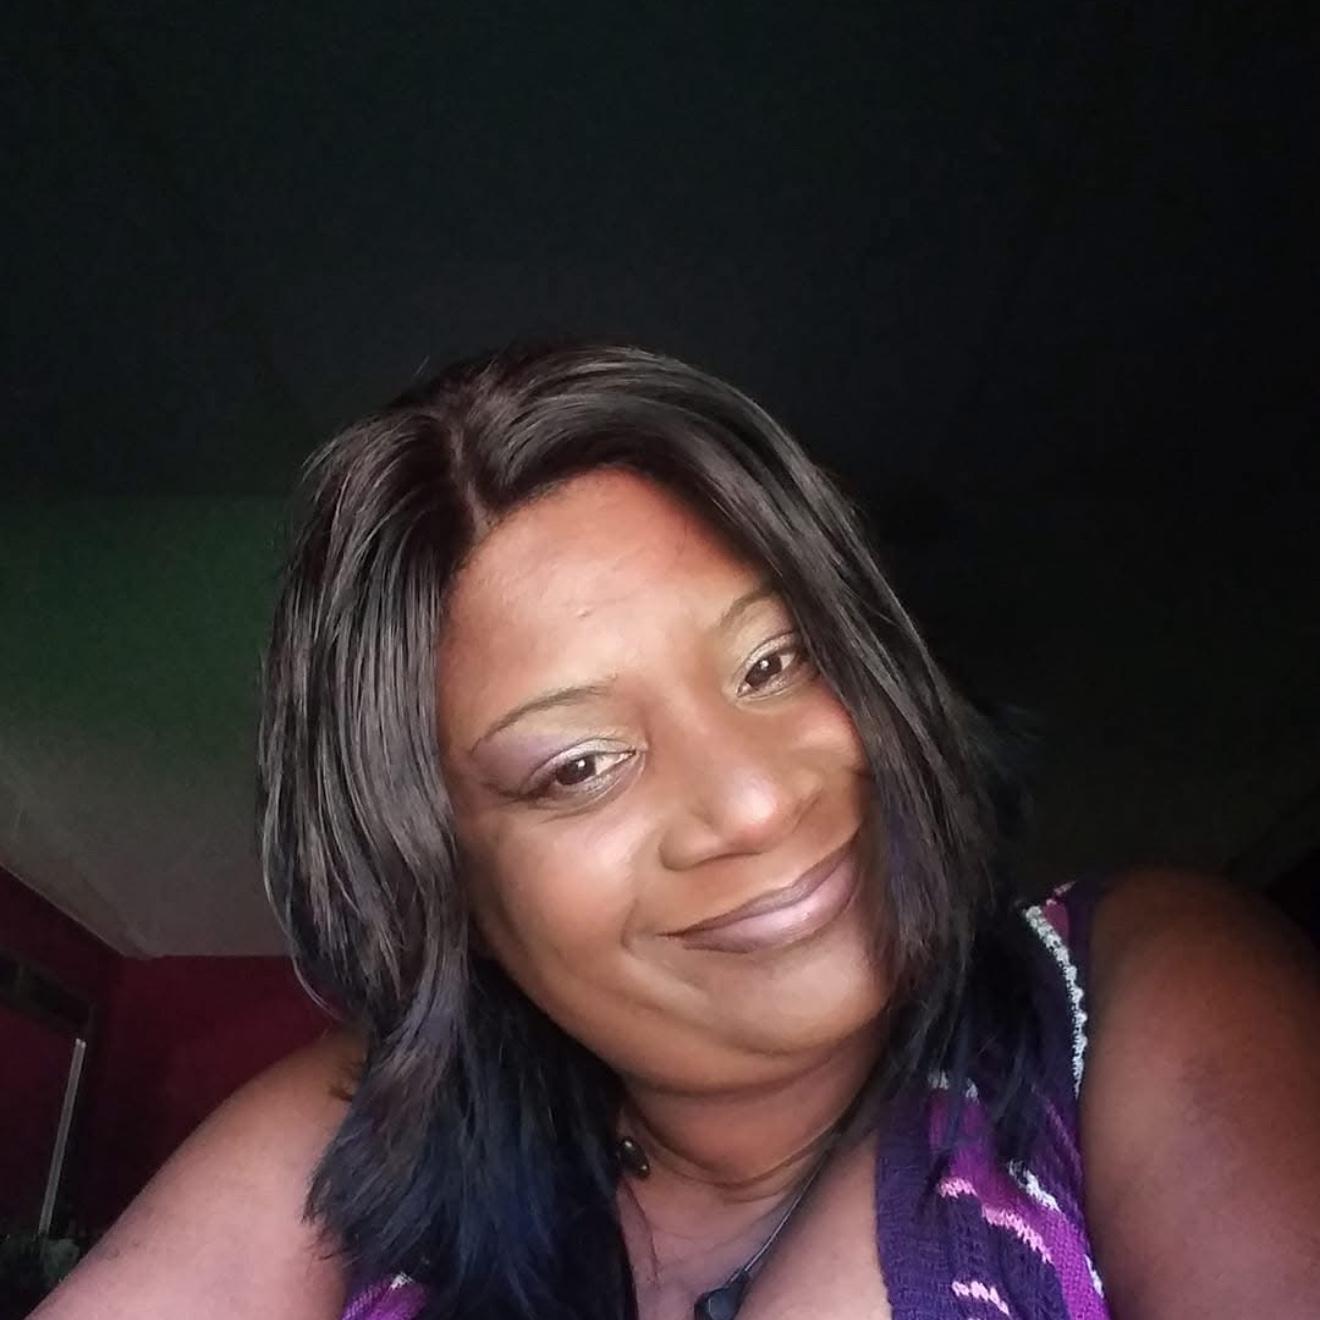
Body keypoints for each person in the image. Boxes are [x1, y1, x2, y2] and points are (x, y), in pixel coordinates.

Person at [36, 345, 1320, 1320]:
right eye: (580, 766)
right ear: (445, 889)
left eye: (776, 662)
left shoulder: (1134, 989)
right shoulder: (359, 1138)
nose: (753, 800)